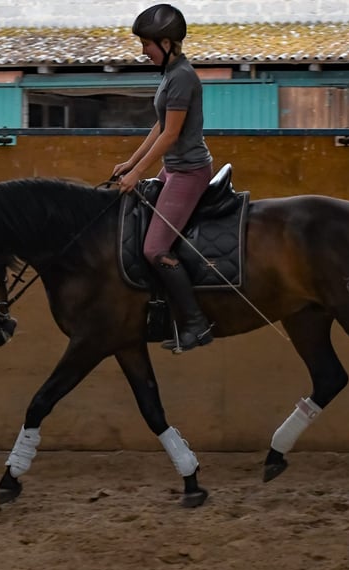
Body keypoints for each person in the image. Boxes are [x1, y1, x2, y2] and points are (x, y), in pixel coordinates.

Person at [113, 3, 214, 353]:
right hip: (173, 167)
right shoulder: (171, 75)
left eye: (147, 44)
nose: (143, 51)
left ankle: (196, 324)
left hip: (188, 171)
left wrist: (139, 172)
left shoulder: (183, 76)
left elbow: (171, 135)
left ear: (168, 42)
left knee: (155, 248)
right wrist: (131, 162)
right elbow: (159, 125)